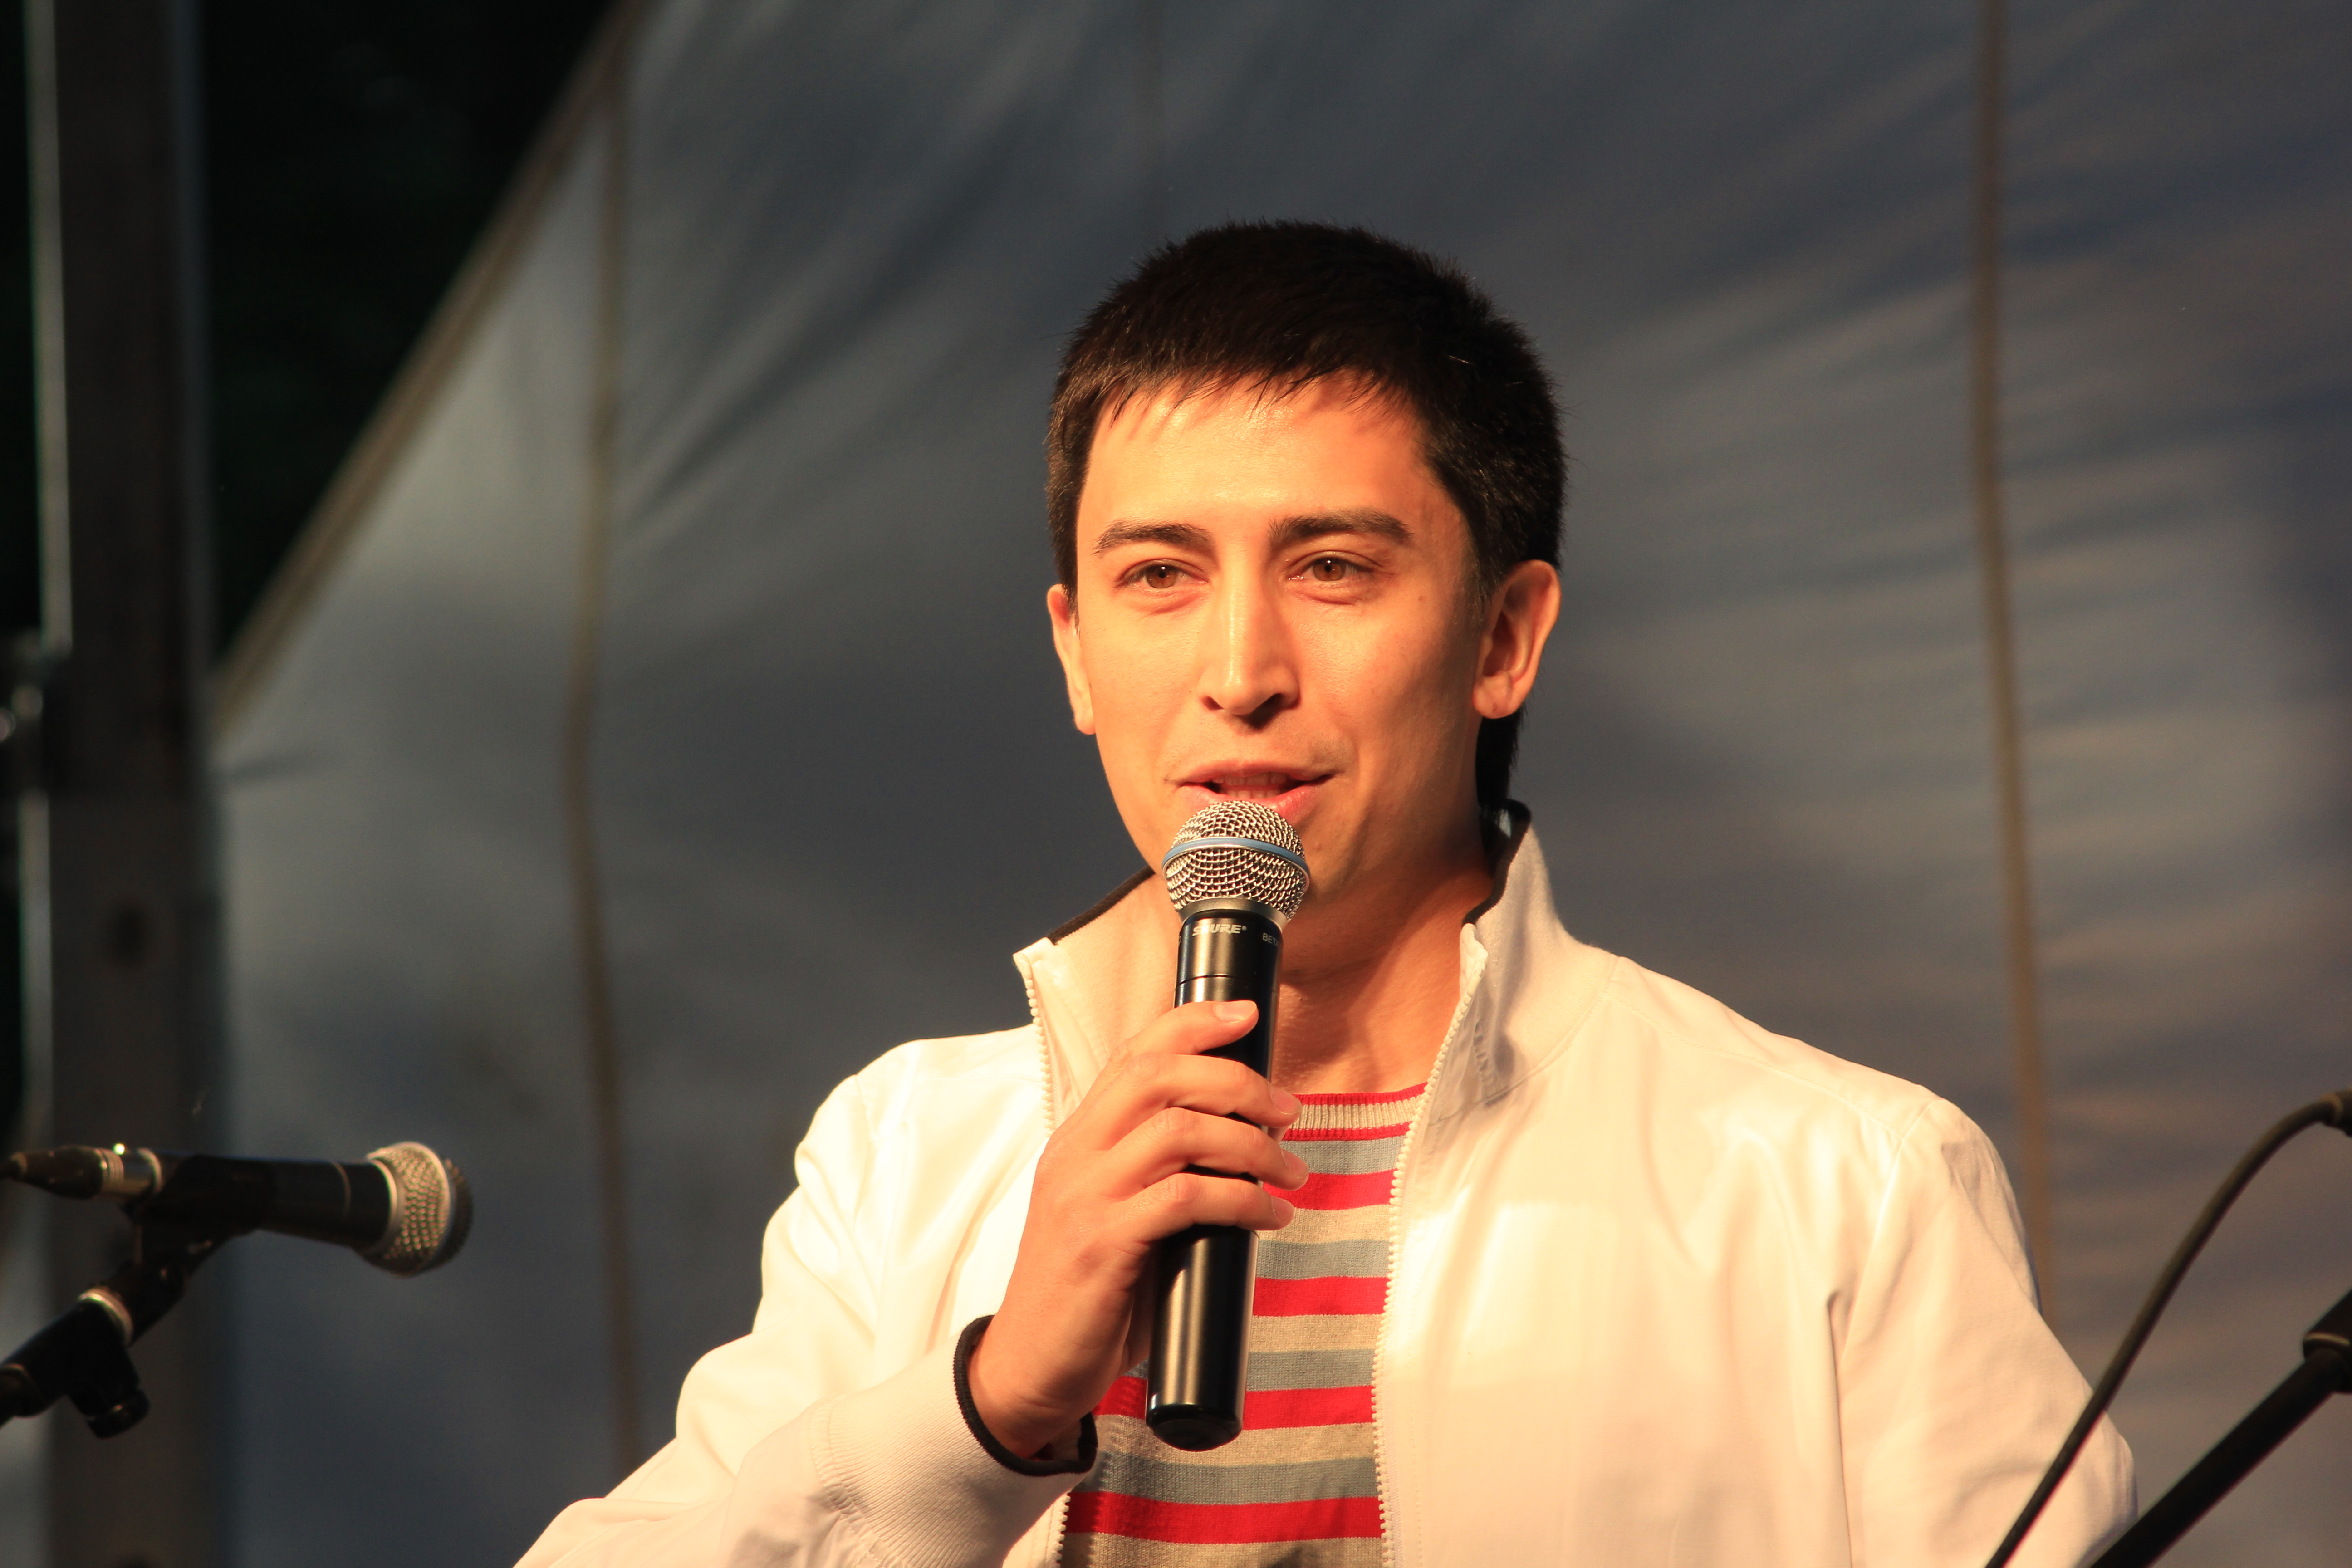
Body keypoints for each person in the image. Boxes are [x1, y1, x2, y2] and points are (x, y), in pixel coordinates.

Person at [517, 221, 2132, 1568]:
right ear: (1075, 652)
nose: (1241, 670)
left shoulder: (1842, 1184)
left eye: (1333, 568)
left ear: (1503, 638)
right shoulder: (908, 1156)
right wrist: (988, 1407)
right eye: (1160, 576)